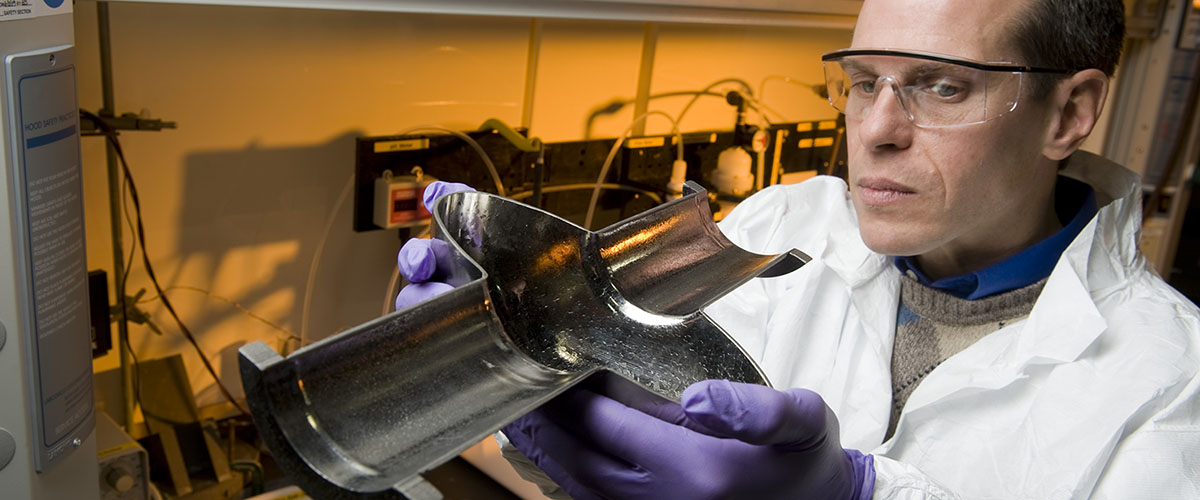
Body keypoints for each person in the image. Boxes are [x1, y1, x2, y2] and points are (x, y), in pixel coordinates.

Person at [396, 0, 1200, 497]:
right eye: (862, 82)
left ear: (1069, 112)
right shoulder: (784, 225)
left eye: (943, 85)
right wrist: (533, 367)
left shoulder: (1174, 384)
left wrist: (854, 498)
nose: (876, 132)